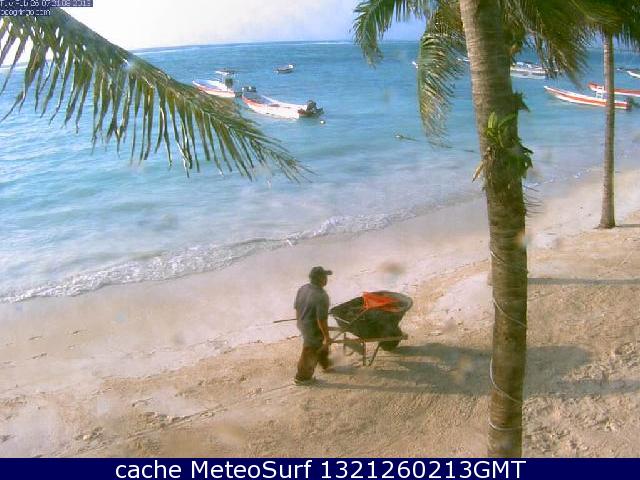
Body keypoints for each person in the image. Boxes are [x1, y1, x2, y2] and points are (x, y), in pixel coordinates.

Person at [293, 266, 333, 385]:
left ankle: (325, 365)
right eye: (325, 276)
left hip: (302, 322)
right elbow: (321, 320)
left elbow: (297, 307)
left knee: (318, 345)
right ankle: (302, 378)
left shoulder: (303, 288)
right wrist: (327, 337)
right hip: (312, 327)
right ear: (320, 278)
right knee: (309, 350)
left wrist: (299, 322)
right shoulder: (321, 295)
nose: (326, 279)